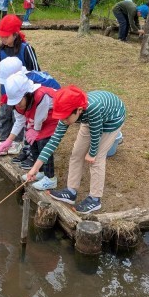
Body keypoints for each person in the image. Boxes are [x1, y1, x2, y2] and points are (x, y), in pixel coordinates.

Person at [25, 85, 126, 215]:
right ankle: (71, 191)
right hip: (89, 118)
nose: (64, 121)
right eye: (61, 117)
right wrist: (35, 168)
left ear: (78, 110)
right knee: (76, 154)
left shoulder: (93, 108)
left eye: (66, 118)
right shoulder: (66, 114)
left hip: (112, 119)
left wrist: (92, 153)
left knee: (97, 159)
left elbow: (96, 134)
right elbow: (53, 141)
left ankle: (95, 199)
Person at [0, 15, 42, 157]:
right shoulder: (1, 50)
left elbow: (35, 72)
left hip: (21, 92)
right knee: (4, 115)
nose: (3, 39)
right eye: (1, 36)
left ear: (15, 34)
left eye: (6, 36)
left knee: (18, 117)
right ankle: (3, 139)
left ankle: (17, 142)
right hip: (5, 91)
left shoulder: (26, 49)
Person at [0, 73, 59, 191]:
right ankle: (41, 171)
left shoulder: (41, 96)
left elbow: (41, 117)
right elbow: (19, 122)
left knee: (44, 143)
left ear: (27, 94)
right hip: (37, 119)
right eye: (15, 102)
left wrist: (35, 130)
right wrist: (9, 140)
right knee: (32, 142)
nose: (17, 105)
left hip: (51, 116)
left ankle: (50, 179)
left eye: (19, 101)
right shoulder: (18, 105)